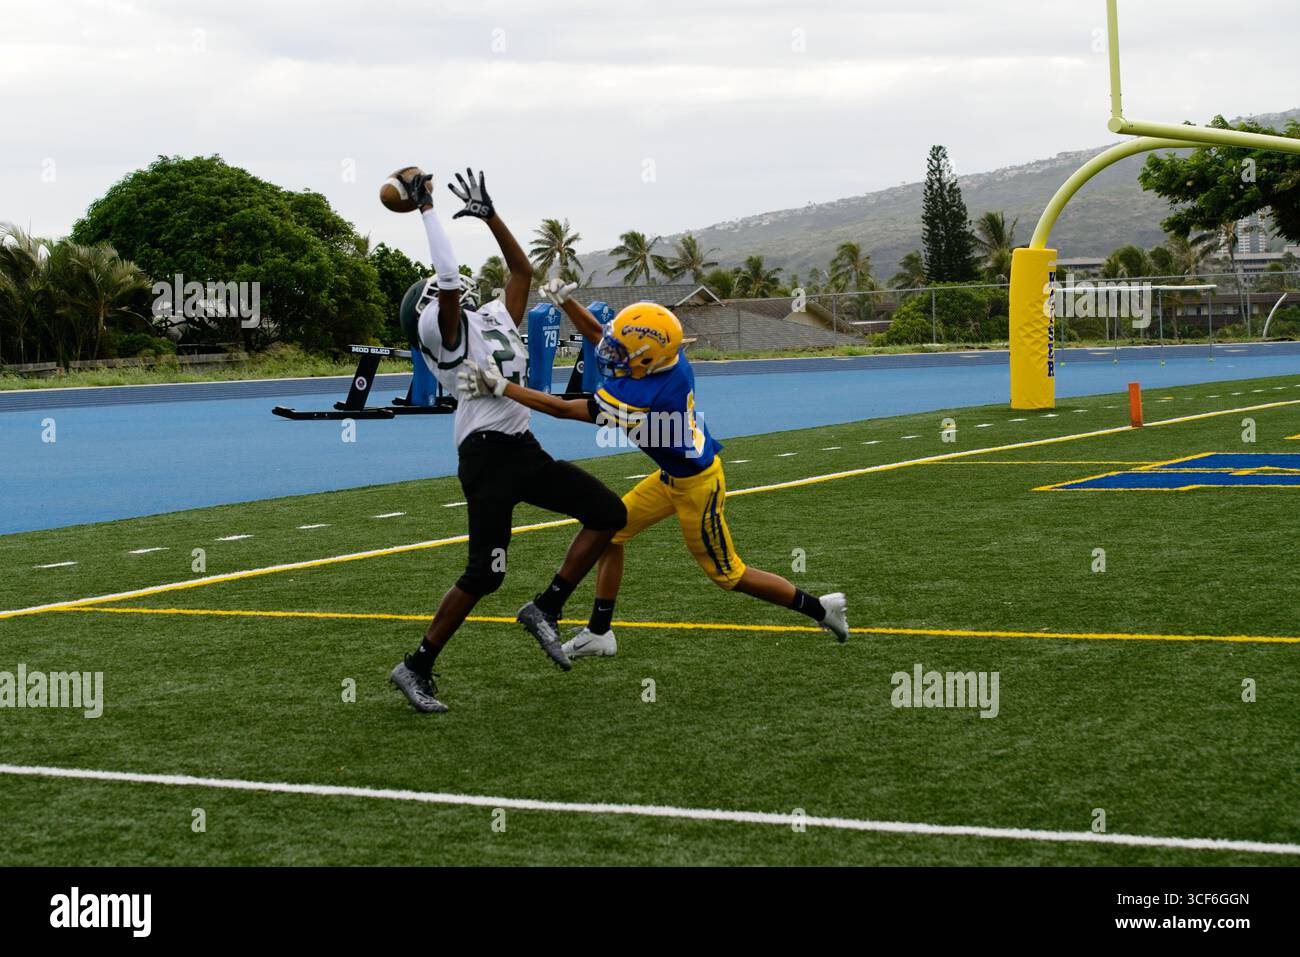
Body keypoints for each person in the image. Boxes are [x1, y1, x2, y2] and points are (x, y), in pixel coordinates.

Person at [458, 281, 848, 659]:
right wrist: (567, 302)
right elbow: (604, 338)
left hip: (697, 486)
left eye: (624, 353)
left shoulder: (645, 393)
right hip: (671, 476)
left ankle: (820, 609)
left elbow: (562, 409)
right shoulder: (662, 361)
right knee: (610, 531)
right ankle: (599, 632)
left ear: (647, 359)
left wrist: (500, 386)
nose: (612, 355)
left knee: (729, 574)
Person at [386, 169, 626, 713]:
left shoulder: (490, 318)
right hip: (487, 457)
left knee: (608, 512)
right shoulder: (440, 331)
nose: (450, 288)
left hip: (523, 448)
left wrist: (490, 215)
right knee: (485, 575)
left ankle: (546, 607)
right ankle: (416, 665)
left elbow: (522, 269)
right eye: (438, 293)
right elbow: (446, 280)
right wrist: (426, 209)